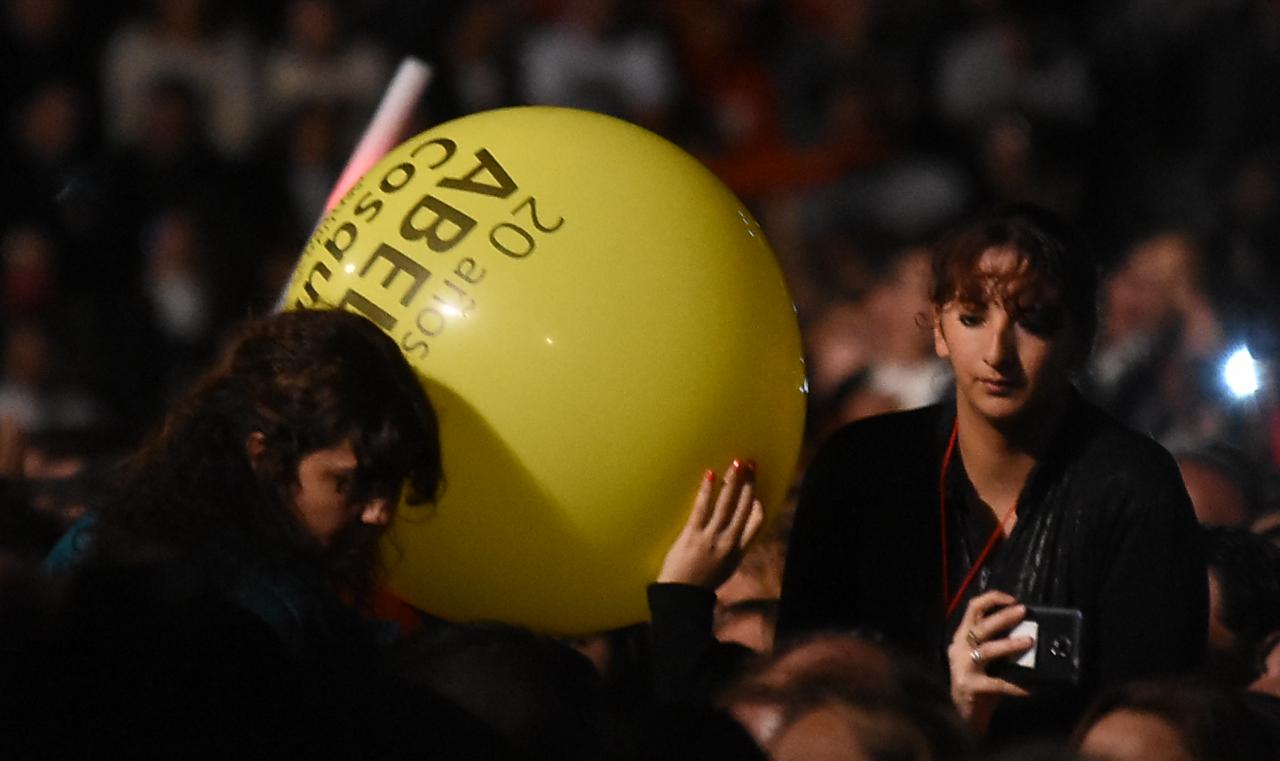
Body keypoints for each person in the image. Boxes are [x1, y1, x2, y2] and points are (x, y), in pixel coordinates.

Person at [776, 205, 1207, 741]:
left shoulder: (1133, 485)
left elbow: (1157, 721)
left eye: (1033, 321)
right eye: (973, 317)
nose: (998, 352)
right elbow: (800, 685)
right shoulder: (860, 467)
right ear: (938, 328)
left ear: (1080, 339)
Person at [44, 307, 442, 662]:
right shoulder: (250, 616)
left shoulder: (107, 534)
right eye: (348, 481)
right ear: (264, 455)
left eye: (391, 482)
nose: (380, 511)